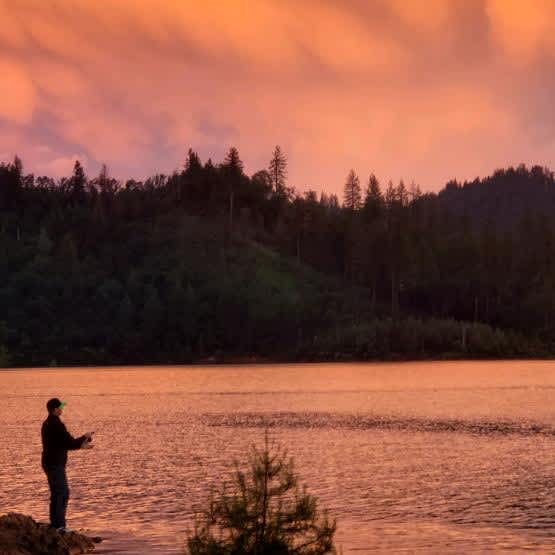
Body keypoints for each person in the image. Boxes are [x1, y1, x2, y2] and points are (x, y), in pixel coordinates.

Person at [41, 398, 94, 532]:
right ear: (54, 410)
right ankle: (59, 526)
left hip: (50, 462)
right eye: (60, 407)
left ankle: (56, 524)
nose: (62, 409)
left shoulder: (48, 423)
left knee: (58, 493)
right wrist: (84, 437)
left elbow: (64, 444)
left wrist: (81, 446)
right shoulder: (56, 424)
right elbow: (69, 442)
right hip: (54, 464)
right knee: (62, 493)